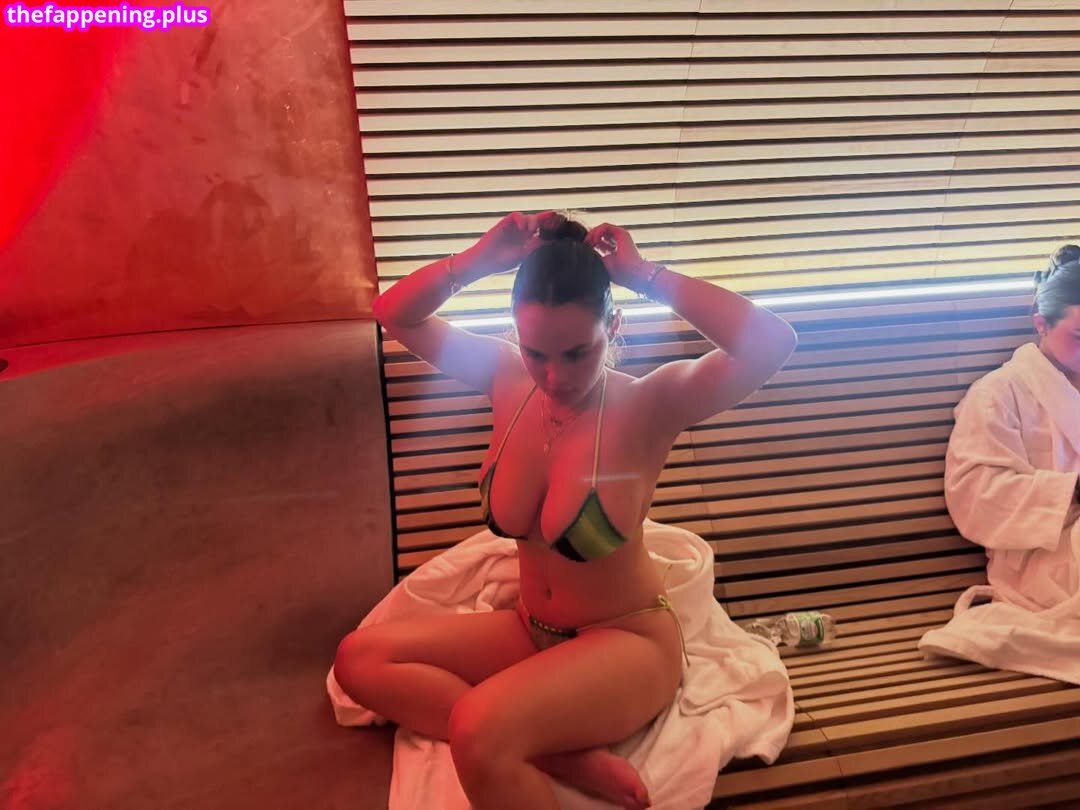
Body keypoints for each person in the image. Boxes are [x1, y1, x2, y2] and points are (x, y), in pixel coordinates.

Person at [334, 211, 798, 810]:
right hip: (531, 631)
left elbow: (772, 342)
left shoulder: (648, 406)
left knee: (477, 727)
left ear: (614, 326)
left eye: (578, 353)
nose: (555, 376)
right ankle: (562, 755)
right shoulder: (505, 378)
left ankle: (519, 739)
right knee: (360, 658)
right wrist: (479, 259)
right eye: (537, 352)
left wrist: (643, 274)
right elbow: (393, 312)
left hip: (625, 644)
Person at [919, 245, 1080, 684]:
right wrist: (1073, 489)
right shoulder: (996, 394)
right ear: (1041, 324)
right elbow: (977, 495)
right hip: (1042, 563)